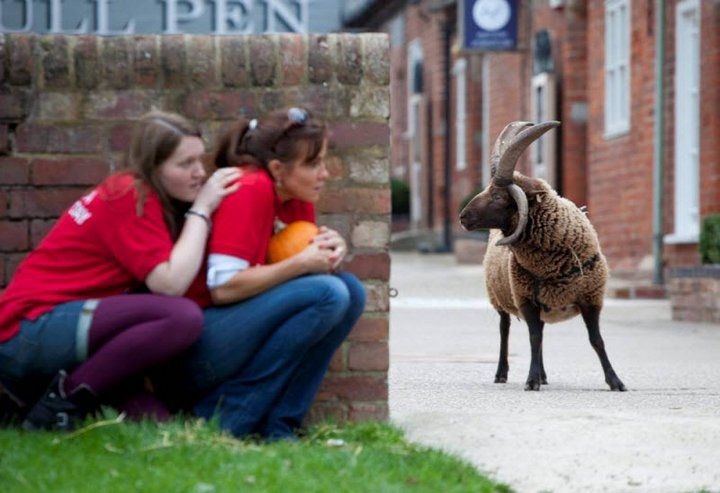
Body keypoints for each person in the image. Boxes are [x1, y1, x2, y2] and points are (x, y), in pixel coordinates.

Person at [0, 111, 240, 431]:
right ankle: (59, 405)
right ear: (153, 168)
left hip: (65, 329)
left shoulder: (148, 197)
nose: (200, 173)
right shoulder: (129, 194)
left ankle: (37, 402)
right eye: (185, 164)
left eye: (200, 160)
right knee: (181, 317)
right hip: (28, 327)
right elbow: (169, 285)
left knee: (157, 425)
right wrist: (202, 209)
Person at [169, 107, 366, 442]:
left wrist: (330, 250)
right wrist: (302, 263)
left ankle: (280, 425)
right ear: (277, 168)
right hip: (199, 348)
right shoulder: (249, 188)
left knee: (350, 291)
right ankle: (229, 417)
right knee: (329, 294)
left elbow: (297, 263)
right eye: (313, 164)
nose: (325, 173)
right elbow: (224, 289)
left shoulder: (294, 197)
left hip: (236, 330)